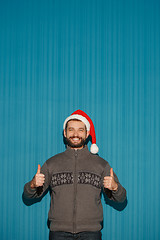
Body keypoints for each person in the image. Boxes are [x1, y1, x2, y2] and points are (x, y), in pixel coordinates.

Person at [23, 109, 126, 240]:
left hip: (91, 234)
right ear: (65, 133)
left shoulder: (101, 164)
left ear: (87, 133)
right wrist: (32, 184)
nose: (75, 134)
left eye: (80, 130)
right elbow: (27, 196)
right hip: (58, 233)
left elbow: (122, 198)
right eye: (71, 129)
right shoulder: (51, 163)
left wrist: (115, 188)